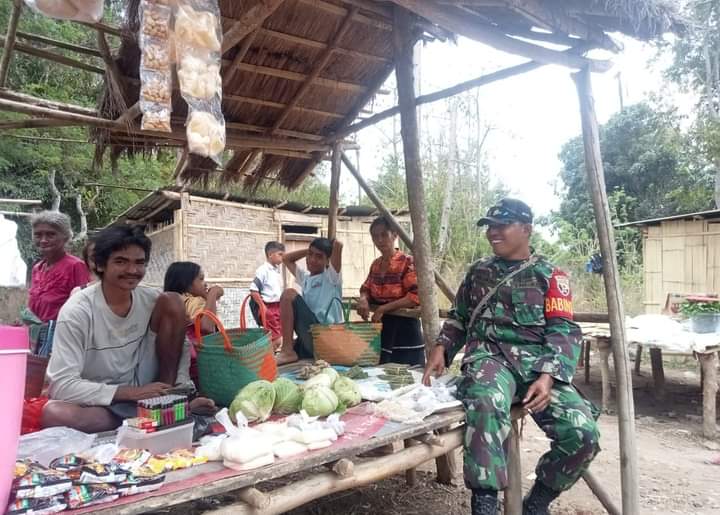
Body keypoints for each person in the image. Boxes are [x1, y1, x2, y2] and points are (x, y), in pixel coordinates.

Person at [423, 198, 600, 515]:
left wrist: (548, 376)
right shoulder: (478, 272)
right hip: (490, 360)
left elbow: (563, 329)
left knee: (583, 432)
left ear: (527, 229)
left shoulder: (550, 276)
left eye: (502, 225)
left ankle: (538, 502)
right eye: (490, 226)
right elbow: (459, 317)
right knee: (487, 400)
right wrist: (442, 347)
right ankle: (485, 503)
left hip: (538, 369)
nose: (493, 232)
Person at [42, 225, 210, 433]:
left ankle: (169, 402)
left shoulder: (151, 300)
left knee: (173, 301)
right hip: (102, 399)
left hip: (150, 393)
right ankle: (166, 415)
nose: (132, 270)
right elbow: (61, 386)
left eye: (139, 263)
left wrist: (181, 387)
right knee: (55, 414)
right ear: (100, 265)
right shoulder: (77, 312)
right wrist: (129, 393)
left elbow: (182, 346)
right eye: (121, 262)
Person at [357, 216, 424, 366]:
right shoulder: (376, 265)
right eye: (375, 236)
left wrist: (383, 308)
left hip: (405, 330)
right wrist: (363, 299)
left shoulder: (407, 262)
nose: (379, 240)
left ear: (394, 235)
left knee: (408, 376)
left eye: (383, 235)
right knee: (382, 376)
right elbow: (366, 288)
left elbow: (415, 297)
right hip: (383, 330)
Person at [277, 238, 343, 365]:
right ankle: (289, 349)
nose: (312, 260)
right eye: (310, 255)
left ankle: (287, 351)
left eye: (319, 257)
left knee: (288, 294)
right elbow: (286, 259)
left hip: (326, 335)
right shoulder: (306, 279)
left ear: (327, 260)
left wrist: (332, 245)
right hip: (311, 334)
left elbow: (339, 244)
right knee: (288, 295)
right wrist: (308, 250)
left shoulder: (331, 278)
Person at [28, 211, 91, 323]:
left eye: (51, 234)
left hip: (63, 336)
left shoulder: (76, 266)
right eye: (38, 235)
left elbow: (85, 307)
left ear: (65, 237)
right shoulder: (37, 268)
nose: (43, 240)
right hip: (37, 337)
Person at [163, 261, 224, 336]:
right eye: (201, 279)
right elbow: (207, 327)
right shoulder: (195, 301)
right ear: (186, 283)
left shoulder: (171, 303)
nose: (205, 284)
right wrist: (213, 293)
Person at [249, 241, 285, 350]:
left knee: (280, 337)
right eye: (280, 254)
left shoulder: (276, 271)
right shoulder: (263, 271)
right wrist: (263, 308)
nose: (282, 257)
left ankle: (270, 359)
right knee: (275, 339)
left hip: (278, 307)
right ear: (270, 255)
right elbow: (253, 290)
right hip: (269, 307)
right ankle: (267, 360)